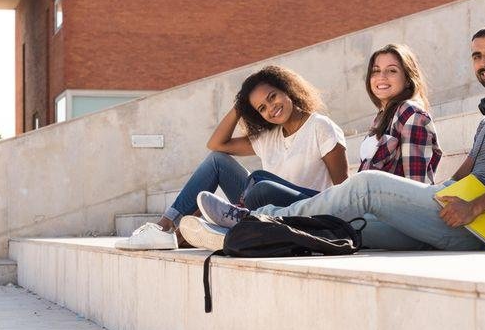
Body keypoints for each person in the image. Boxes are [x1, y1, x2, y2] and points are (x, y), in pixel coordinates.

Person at [185, 25, 485, 252]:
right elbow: (462, 174)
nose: (484, 61)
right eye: (477, 55)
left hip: (480, 227)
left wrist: (474, 207)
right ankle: (248, 239)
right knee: (345, 231)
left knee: (364, 186)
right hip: (451, 217)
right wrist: (451, 193)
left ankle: (253, 222)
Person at [116, 65, 349, 250]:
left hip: (306, 210)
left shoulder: (320, 127)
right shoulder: (270, 136)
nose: (271, 108)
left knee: (261, 185)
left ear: (287, 89)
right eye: (261, 108)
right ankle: (164, 227)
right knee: (218, 161)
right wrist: (240, 106)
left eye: (272, 97)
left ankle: (227, 225)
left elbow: (342, 191)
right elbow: (216, 144)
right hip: (265, 208)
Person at [359, 44, 441, 184]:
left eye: (392, 71)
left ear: (408, 79)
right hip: (369, 201)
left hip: (394, 204)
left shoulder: (411, 113)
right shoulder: (381, 117)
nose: (381, 77)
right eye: (375, 71)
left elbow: (416, 184)